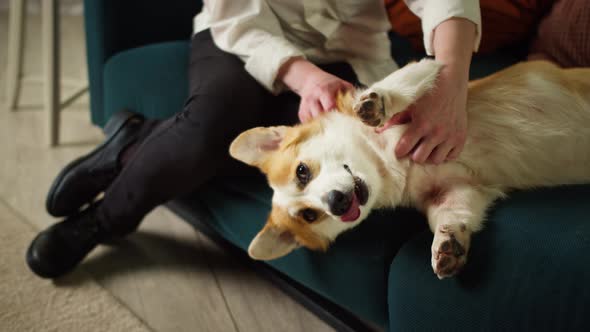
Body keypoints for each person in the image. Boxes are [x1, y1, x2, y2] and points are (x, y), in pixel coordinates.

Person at [26, 0, 481, 278]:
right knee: (211, 126)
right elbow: (238, 21)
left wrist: (452, 82)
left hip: (351, 55)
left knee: (342, 148)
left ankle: (136, 140)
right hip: (243, 36)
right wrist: (305, 80)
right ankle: (104, 221)